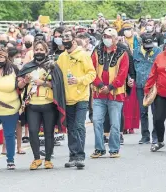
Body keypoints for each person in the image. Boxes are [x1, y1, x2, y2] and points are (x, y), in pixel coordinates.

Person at [17, 40, 66, 170]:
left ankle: (48, 159)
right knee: (33, 132)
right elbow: (19, 85)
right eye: (36, 49)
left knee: (49, 133)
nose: (39, 52)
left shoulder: (53, 66)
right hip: (32, 105)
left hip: (49, 104)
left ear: (46, 51)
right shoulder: (27, 66)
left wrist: (43, 83)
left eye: (41, 49)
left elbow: (58, 85)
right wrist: (25, 81)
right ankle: (37, 158)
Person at [57, 30, 96, 169]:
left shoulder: (84, 55)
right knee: (71, 127)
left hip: (81, 97)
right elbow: (57, 75)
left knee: (79, 125)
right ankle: (72, 155)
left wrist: (79, 80)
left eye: (67, 37)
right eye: (63, 37)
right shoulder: (61, 57)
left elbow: (92, 74)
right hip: (67, 98)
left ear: (74, 40)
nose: (64, 40)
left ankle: (80, 156)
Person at [91, 27, 129, 158]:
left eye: (109, 37)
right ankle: (99, 148)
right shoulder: (96, 51)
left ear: (115, 39)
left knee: (115, 123)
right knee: (96, 121)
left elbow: (122, 74)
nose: (106, 39)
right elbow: (91, 70)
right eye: (104, 37)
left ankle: (114, 149)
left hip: (115, 94)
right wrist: (101, 85)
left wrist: (110, 87)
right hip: (99, 93)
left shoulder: (123, 53)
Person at [134, 34, 162, 144]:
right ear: (142, 43)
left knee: (156, 112)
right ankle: (145, 136)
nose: (149, 47)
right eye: (147, 45)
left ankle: (156, 136)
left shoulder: (158, 51)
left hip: (155, 86)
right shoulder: (136, 52)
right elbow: (132, 68)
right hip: (141, 86)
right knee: (143, 112)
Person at [144, 48, 166, 152]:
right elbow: (153, 74)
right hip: (161, 93)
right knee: (157, 119)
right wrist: (147, 89)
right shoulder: (160, 57)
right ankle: (160, 141)